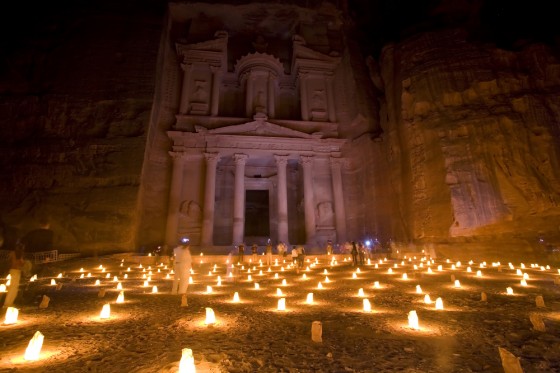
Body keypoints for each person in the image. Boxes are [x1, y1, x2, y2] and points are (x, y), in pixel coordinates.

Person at [3, 242, 25, 308]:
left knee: (13, 288)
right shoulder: (19, 255)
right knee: (14, 288)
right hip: (16, 271)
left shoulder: (12, 253)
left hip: (12, 271)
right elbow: (22, 264)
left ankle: (8, 303)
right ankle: (7, 304)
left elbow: (8, 261)